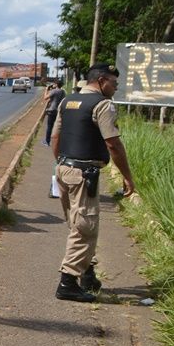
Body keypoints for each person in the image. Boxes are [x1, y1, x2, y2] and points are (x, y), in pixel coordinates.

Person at [51, 63, 135, 302]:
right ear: (101, 81)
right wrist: (128, 177)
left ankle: (87, 275)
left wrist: (61, 164)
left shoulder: (68, 101)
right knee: (84, 227)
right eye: (113, 83)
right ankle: (67, 282)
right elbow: (113, 144)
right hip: (83, 174)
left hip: (64, 170)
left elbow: (55, 136)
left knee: (76, 223)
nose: (115, 88)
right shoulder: (103, 104)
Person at [43, 82, 66, 146]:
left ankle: (47, 141)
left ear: (56, 85)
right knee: (57, 127)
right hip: (59, 111)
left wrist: (46, 90)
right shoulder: (63, 92)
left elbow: (45, 98)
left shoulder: (54, 91)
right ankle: (57, 142)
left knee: (49, 127)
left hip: (52, 110)